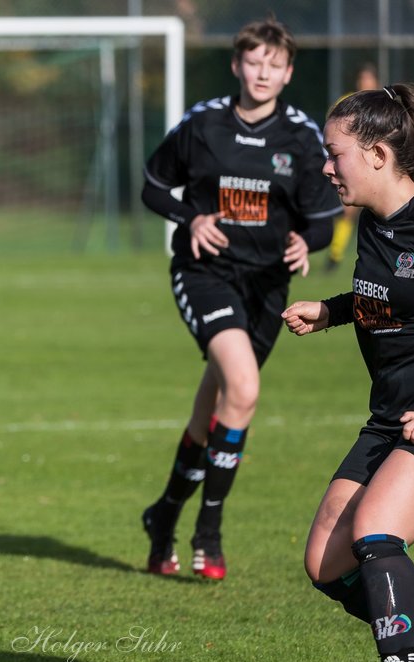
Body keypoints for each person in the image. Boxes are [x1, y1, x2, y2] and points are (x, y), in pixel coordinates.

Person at [138, 16, 342, 579]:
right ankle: (209, 530)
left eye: (274, 65)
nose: (262, 72)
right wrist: (191, 216)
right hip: (205, 273)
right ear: (237, 65)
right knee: (245, 387)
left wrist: (308, 241)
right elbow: (153, 187)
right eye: (254, 62)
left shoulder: (301, 137)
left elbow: (323, 218)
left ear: (288, 72)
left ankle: (164, 515)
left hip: (267, 285)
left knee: (218, 404)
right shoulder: (202, 124)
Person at [282, 83, 414, 662]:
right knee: (326, 563)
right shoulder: (373, 221)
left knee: (375, 528)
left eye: (335, 155)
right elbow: (389, 295)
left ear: (379, 153)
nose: (326, 168)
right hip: (388, 416)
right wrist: (332, 311)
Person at [326, 64, 382, 272]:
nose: (364, 83)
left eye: (368, 79)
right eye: (362, 78)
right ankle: (335, 254)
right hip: (353, 167)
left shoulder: (382, 104)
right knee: (347, 212)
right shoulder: (347, 102)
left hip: (376, 168)